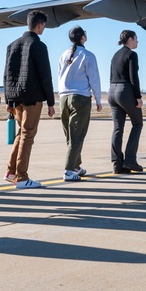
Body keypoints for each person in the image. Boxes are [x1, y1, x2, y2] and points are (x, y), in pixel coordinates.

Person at [3, 10, 55, 189]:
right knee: (28, 134)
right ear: (40, 25)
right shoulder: (38, 46)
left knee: (21, 133)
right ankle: (22, 177)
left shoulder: (12, 45)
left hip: (16, 97)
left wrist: (8, 101)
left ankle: (11, 171)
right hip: (32, 97)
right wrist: (50, 102)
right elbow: (45, 76)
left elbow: (7, 75)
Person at [57, 26, 102, 181]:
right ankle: (68, 171)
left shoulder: (64, 54)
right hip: (80, 98)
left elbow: (59, 75)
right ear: (83, 37)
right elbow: (94, 79)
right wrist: (98, 99)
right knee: (77, 135)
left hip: (63, 98)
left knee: (70, 135)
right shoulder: (88, 56)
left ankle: (76, 166)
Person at [108, 29, 144, 173]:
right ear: (130, 39)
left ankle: (117, 164)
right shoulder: (131, 54)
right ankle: (130, 160)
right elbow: (133, 77)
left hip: (112, 91)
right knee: (138, 123)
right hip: (125, 91)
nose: (137, 42)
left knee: (118, 128)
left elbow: (111, 75)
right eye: (136, 39)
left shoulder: (115, 55)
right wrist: (138, 97)